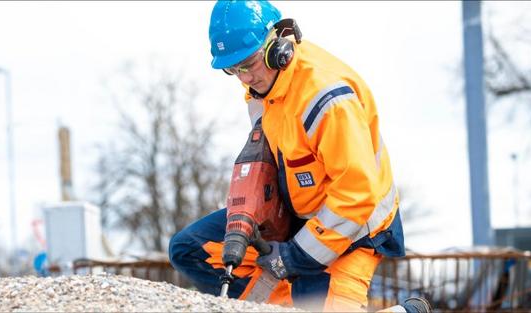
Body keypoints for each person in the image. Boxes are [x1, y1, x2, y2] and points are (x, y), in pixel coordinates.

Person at [168, 1, 406, 311]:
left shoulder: (328, 99)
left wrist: (294, 257)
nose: (244, 78)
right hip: (299, 210)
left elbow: (356, 197)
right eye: (232, 69)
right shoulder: (263, 86)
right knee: (188, 250)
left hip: (352, 229)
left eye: (248, 64)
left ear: (277, 46)